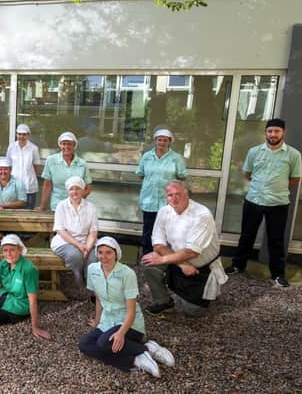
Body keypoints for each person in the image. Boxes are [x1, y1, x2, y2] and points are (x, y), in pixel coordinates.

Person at [79, 236, 174, 378]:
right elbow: (98, 299)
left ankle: (148, 347)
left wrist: (121, 333)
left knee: (104, 343)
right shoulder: (93, 269)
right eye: (100, 252)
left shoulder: (127, 274)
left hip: (130, 323)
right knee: (84, 345)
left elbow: (131, 310)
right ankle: (138, 357)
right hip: (107, 321)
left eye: (108, 252)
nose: (104, 257)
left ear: (116, 253)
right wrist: (97, 322)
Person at [226, 118, 302, 287]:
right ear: (265, 133)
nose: (273, 134)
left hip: (278, 202)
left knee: (276, 240)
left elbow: (295, 178)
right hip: (254, 200)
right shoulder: (254, 152)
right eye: (270, 131)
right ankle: (238, 265)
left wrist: (277, 187)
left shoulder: (293, 154)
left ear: (283, 133)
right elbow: (248, 173)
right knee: (247, 235)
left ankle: (277, 275)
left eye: (277, 131)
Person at [141, 180, 228, 317]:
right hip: (178, 259)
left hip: (201, 267)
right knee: (148, 263)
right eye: (170, 195)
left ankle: (200, 294)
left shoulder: (202, 214)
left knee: (193, 312)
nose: (174, 199)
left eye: (178, 194)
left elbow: (192, 251)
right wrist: (182, 264)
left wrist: (163, 259)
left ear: (187, 194)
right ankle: (163, 301)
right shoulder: (164, 211)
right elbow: (158, 244)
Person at [136, 128, 187, 256]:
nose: (162, 143)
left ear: (170, 142)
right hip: (149, 199)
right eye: (159, 140)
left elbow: (182, 177)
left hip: (168, 201)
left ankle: (166, 257)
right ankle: (147, 255)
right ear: (155, 141)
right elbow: (141, 174)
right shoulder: (147, 156)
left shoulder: (176, 158)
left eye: (165, 140)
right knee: (148, 229)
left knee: (167, 230)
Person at [50, 176, 98, 291]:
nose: (74, 192)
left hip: (86, 241)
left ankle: (91, 288)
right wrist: (79, 245)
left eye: (78, 189)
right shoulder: (61, 206)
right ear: (67, 191)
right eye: (71, 189)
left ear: (83, 190)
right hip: (65, 241)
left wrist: (87, 248)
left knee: (93, 258)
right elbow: (61, 231)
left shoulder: (91, 207)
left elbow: (93, 231)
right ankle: (77, 283)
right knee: (75, 255)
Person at [37, 131, 92, 211]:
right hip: (57, 206)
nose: (66, 146)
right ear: (60, 145)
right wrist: (42, 206)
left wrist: (76, 198)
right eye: (63, 144)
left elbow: (88, 188)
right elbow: (47, 185)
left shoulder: (82, 164)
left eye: (69, 144)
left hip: (76, 207)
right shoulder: (51, 160)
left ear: (74, 146)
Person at [6, 124, 40, 209]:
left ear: (28, 135)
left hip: (29, 185)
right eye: (19, 134)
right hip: (14, 185)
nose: (21, 136)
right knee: (13, 212)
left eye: (24, 134)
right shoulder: (11, 147)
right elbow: (8, 165)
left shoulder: (34, 148)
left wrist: (30, 176)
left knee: (28, 212)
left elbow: (36, 166)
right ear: (16, 135)